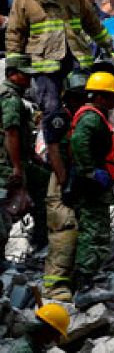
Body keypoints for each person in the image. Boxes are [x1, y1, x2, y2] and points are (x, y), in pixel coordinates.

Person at [7, 0, 114, 136]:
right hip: (45, 66)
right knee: (52, 110)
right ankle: (57, 153)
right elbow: (15, 34)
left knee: (83, 107)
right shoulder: (23, 0)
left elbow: (91, 20)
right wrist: (14, 67)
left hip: (75, 59)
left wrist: (105, 41)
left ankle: (83, 147)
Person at [69, 72, 114, 309]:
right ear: (101, 97)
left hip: (95, 185)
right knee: (94, 235)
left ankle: (88, 279)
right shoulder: (91, 119)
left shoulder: (93, 115)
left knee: (96, 232)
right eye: (112, 98)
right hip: (91, 187)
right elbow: (79, 142)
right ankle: (85, 287)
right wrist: (91, 171)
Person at [41, 71, 89, 301]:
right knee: (64, 231)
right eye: (77, 96)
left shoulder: (80, 116)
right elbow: (53, 150)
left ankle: (74, 279)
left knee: (80, 229)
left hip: (75, 177)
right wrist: (63, 182)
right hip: (62, 180)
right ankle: (54, 287)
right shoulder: (59, 117)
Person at [0, 56, 48, 256]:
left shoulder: (11, 96)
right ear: (13, 75)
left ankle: (40, 237)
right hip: (8, 164)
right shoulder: (10, 100)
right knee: (6, 210)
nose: (29, 79)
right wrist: (18, 168)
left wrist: (33, 156)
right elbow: (11, 133)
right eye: (25, 75)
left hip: (12, 160)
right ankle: (41, 238)